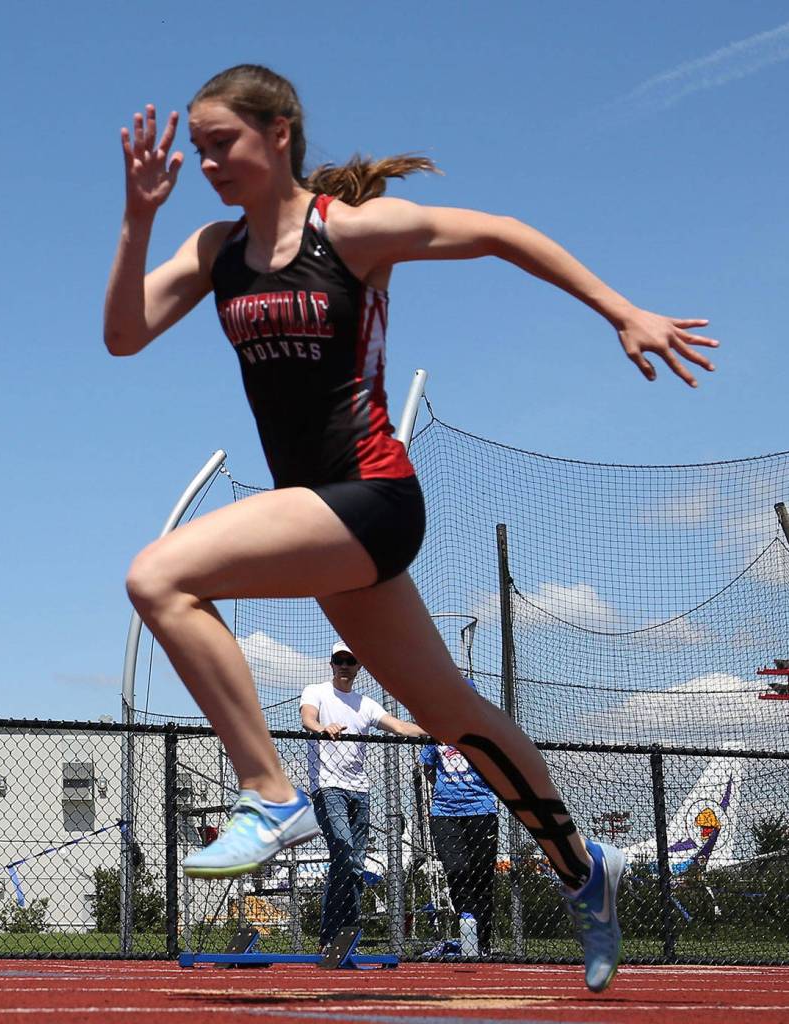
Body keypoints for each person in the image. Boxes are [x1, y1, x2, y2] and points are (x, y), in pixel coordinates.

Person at [104, 63, 718, 991]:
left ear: (279, 135)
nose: (205, 160)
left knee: (159, 578)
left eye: (220, 142)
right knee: (451, 715)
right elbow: (122, 334)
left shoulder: (349, 233)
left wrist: (623, 312)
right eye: (196, 148)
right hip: (320, 525)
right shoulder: (215, 249)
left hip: (372, 497)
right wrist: (138, 218)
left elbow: (501, 233)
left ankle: (270, 796)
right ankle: (585, 868)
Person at [300, 639, 426, 948]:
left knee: (354, 862)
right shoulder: (315, 691)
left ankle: (348, 934)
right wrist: (322, 729)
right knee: (343, 850)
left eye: (350, 661)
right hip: (328, 787)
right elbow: (307, 718)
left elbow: (396, 725)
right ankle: (330, 934)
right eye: (339, 660)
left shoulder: (366, 704)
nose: (344, 666)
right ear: (332, 664)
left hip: (360, 790)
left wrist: (432, 730)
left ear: (358, 666)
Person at [419, 679, 499, 958]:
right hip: (445, 812)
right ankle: (466, 923)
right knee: (456, 869)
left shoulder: (485, 730)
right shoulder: (436, 728)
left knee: (482, 876)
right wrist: (447, 790)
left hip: (481, 810)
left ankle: (483, 941)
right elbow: (428, 767)